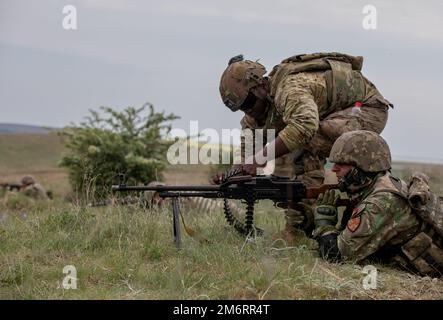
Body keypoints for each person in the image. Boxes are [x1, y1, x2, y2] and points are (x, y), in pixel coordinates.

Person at [214, 52, 393, 241]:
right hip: (332, 117)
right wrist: (231, 177)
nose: (248, 110)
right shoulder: (259, 110)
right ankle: (306, 221)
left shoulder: (289, 90)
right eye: (241, 107)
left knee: (306, 139)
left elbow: (305, 126)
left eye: (249, 102)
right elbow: (247, 150)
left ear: (260, 86)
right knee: (301, 141)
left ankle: (304, 223)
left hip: (365, 110)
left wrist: (259, 160)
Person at [312, 130, 443, 277]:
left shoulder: (381, 202)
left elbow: (336, 257)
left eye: (342, 163)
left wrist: (324, 223)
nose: (334, 168)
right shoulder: (382, 182)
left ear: (363, 166)